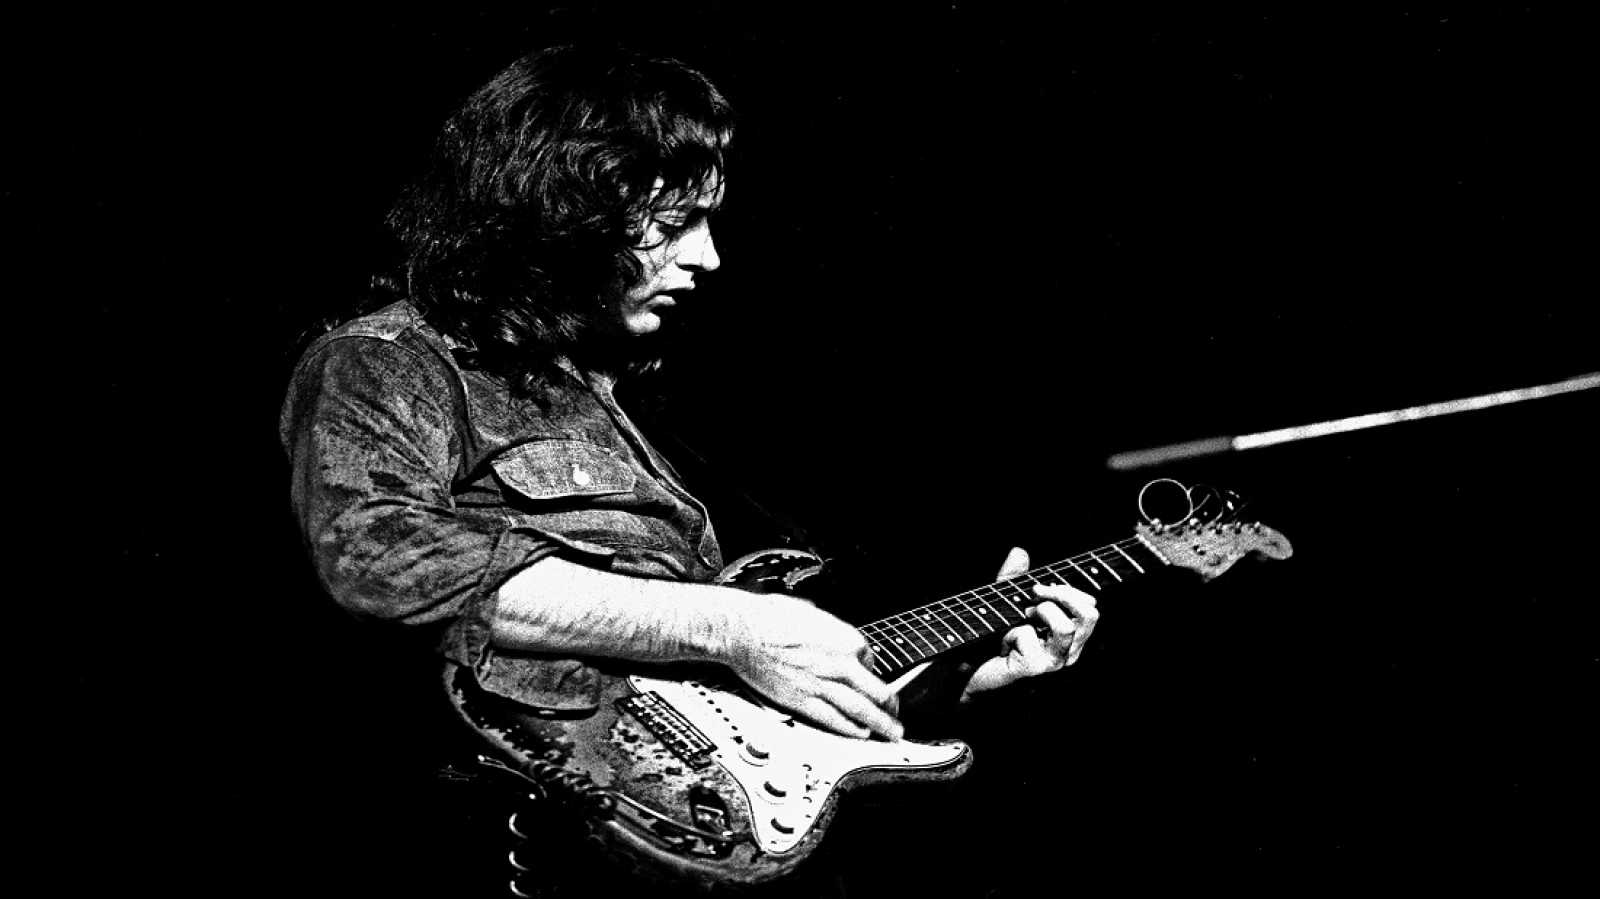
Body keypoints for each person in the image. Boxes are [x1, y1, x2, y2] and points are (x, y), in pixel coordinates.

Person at [280, 43, 1099, 896]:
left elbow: (720, 698)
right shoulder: (389, 358)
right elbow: (379, 557)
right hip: (505, 832)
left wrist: (964, 679)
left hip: (677, 837)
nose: (708, 257)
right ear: (563, 215)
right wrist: (725, 624)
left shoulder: (638, 399)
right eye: (676, 224)